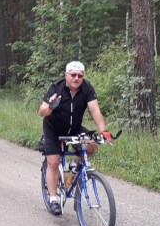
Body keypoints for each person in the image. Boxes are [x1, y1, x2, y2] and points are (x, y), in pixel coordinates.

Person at [37, 61, 111, 216]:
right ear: (67, 75)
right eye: (73, 75)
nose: (76, 78)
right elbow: (41, 111)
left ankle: (74, 166)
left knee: (92, 146)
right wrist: (50, 106)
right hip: (53, 129)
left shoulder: (87, 88)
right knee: (54, 162)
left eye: (80, 75)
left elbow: (95, 110)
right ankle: (53, 199)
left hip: (74, 128)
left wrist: (103, 131)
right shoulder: (56, 88)